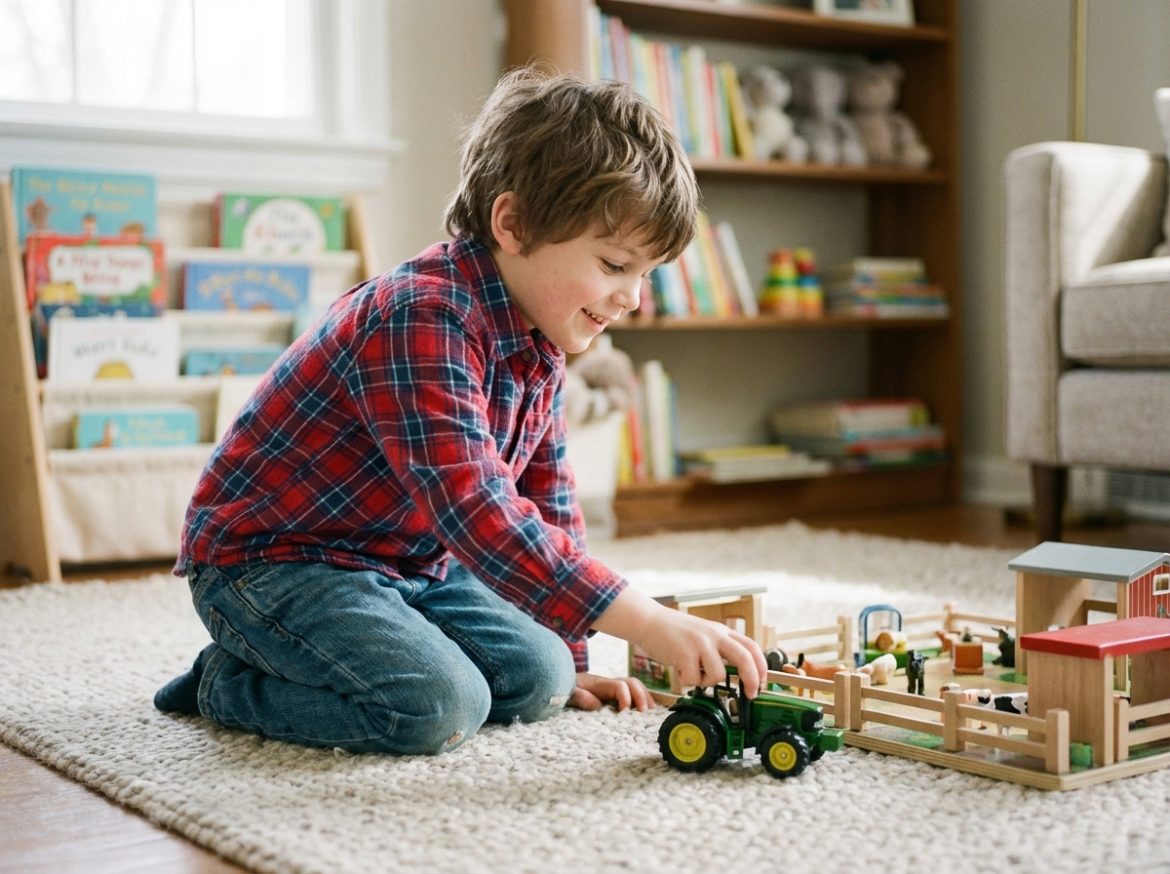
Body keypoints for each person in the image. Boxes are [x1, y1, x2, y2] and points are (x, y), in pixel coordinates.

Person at [154, 69, 768, 755]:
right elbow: (478, 511)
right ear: (513, 225)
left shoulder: (543, 335)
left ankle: (384, 649)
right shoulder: (420, 316)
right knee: (436, 706)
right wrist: (648, 622)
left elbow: (547, 498)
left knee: (542, 679)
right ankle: (224, 684)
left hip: (412, 562)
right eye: (614, 264)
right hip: (274, 563)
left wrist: (575, 658)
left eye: (645, 274)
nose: (633, 297)